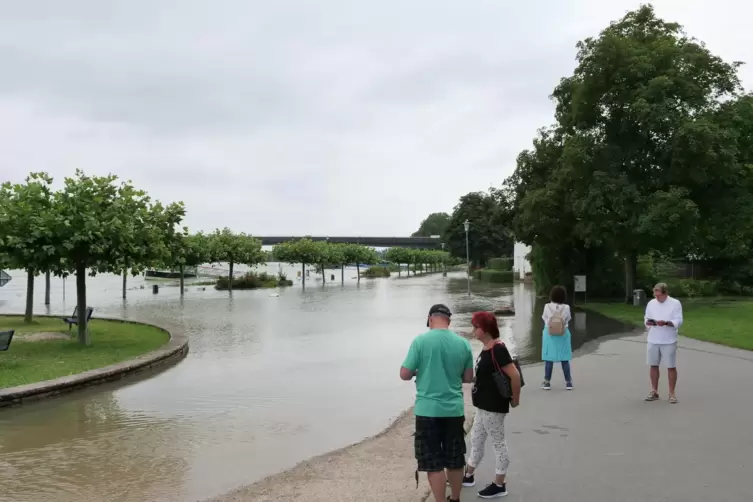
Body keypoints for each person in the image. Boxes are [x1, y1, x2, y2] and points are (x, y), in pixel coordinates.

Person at [400, 304, 474, 502]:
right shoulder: (463, 344)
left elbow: (404, 374)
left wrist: (419, 371)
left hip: (427, 410)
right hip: (454, 410)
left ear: (430, 318)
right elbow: (468, 378)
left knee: (433, 462)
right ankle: (455, 498)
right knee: (455, 458)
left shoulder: (420, 341)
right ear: (448, 320)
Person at [463, 311, 521, 499]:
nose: (473, 331)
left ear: (486, 329)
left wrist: (515, 399)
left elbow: (514, 375)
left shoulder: (497, 348)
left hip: (494, 406)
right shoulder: (488, 347)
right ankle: (469, 475)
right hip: (483, 406)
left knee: (498, 443)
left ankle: (499, 484)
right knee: (477, 440)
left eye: (476, 327)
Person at [644, 282, 683, 403]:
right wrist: (649, 323)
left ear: (665, 293)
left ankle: (672, 393)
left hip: (668, 340)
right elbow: (646, 318)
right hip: (653, 338)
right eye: (655, 295)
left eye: (659, 295)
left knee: (670, 366)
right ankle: (654, 391)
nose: (657, 297)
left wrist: (666, 323)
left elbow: (679, 320)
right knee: (653, 365)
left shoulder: (675, 303)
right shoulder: (651, 303)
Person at [541, 285, 573, 390]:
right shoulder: (566, 307)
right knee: (564, 358)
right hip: (563, 334)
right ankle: (568, 382)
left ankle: (547, 382)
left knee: (549, 358)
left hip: (549, 334)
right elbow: (568, 319)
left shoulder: (547, 306)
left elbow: (544, 318)